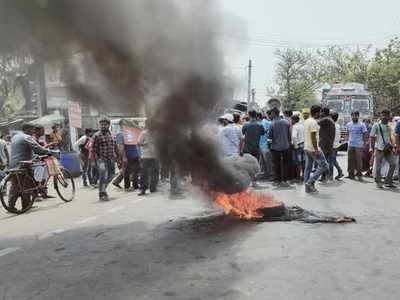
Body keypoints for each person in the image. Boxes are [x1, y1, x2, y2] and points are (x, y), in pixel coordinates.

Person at [9, 123, 55, 211]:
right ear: (26, 129)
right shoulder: (26, 137)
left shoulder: (15, 137)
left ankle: (11, 206)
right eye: (31, 129)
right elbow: (38, 149)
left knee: (14, 185)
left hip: (13, 164)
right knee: (27, 185)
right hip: (23, 164)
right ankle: (26, 206)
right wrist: (49, 152)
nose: (33, 131)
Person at [303, 105, 329, 193]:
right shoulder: (313, 122)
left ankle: (307, 186)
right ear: (317, 112)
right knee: (324, 165)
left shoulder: (306, 121)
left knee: (308, 167)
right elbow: (313, 136)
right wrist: (316, 149)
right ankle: (310, 182)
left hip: (306, 147)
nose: (320, 114)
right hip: (313, 148)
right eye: (320, 112)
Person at [92, 117, 117, 201]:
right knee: (103, 175)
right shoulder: (96, 135)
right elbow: (93, 149)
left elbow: (114, 147)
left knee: (112, 175)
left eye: (105, 125)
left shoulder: (112, 135)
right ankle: (102, 193)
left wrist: (118, 157)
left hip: (111, 159)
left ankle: (103, 188)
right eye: (101, 125)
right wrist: (93, 161)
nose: (103, 126)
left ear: (108, 125)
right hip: (101, 159)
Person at [370, 110, 396, 189]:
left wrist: (393, 146)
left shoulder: (388, 126)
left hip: (388, 148)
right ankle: (378, 182)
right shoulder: (376, 125)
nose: (384, 117)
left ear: (389, 116)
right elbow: (372, 137)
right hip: (379, 148)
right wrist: (372, 148)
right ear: (380, 116)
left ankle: (388, 181)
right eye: (383, 115)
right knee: (378, 166)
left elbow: (390, 137)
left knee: (393, 164)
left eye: (386, 115)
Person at [112, 120, 141, 191]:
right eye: (124, 124)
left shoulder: (130, 133)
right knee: (126, 172)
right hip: (127, 156)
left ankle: (135, 186)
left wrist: (138, 154)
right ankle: (127, 186)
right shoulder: (120, 134)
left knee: (135, 171)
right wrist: (124, 157)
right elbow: (120, 147)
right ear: (121, 125)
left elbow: (135, 145)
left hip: (135, 155)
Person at [268, 107, 291, 187]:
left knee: (276, 164)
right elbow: (289, 135)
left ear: (274, 113)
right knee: (285, 164)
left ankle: (277, 180)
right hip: (286, 146)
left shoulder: (272, 124)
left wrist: (269, 146)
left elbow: (270, 137)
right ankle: (285, 180)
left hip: (275, 148)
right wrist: (289, 144)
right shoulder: (286, 122)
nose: (270, 115)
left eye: (271, 113)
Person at [138, 120, 159, 196]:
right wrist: (146, 143)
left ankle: (153, 188)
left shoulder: (157, 133)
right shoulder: (143, 133)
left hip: (155, 156)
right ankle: (143, 189)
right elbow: (138, 143)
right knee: (144, 174)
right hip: (145, 156)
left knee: (155, 173)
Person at [346, 111, 368, 180]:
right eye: (353, 115)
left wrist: (364, 143)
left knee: (359, 160)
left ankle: (359, 174)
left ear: (358, 116)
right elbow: (348, 133)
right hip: (350, 144)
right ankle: (350, 174)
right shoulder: (348, 124)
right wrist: (348, 141)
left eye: (356, 115)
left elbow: (365, 134)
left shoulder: (362, 125)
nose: (354, 117)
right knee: (350, 160)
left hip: (359, 145)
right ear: (351, 116)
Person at [318, 107, 336, 181]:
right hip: (328, 143)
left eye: (320, 112)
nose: (320, 114)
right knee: (328, 161)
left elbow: (316, 122)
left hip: (325, 144)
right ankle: (328, 175)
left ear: (323, 112)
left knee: (323, 161)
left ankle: (324, 176)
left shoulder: (326, 119)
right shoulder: (330, 119)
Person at [259, 112, 273, 180]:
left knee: (264, 162)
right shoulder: (269, 123)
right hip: (266, 145)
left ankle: (266, 175)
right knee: (267, 161)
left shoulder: (261, 123)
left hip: (262, 145)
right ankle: (269, 175)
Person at [291, 114, 305, 181]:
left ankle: (298, 177)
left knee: (297, 162)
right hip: (303, 145)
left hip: (298, 146)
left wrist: (295, 146)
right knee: (303, 161)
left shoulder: (295, 127)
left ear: (294, 120)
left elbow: (294, 136)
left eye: (292, 120)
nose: (291, 121)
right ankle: (304, 176)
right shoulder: (302, 126)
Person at [330, 112, 344, 180]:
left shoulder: (332, 125)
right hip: (335, 145)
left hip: (332, 146)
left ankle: (332, 174)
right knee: (333, 160)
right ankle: (339, 172)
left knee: (332, 161)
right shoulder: (337, 125)